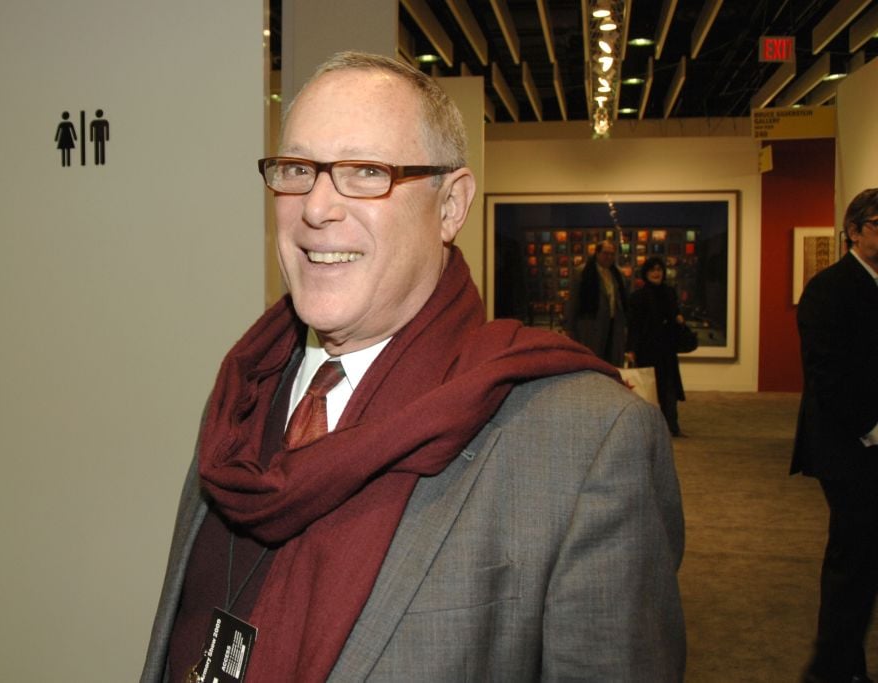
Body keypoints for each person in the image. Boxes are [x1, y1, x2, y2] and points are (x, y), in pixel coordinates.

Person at [142, 51, 684, 683]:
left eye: (366, 172)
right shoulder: (241, 397)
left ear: (451, 205)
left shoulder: (585, 445)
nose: (316, 208)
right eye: (297, 169)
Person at [792, 188, 878, 683]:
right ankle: (838, 668)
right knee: (853, 554)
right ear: (853, 231)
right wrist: (869, 426)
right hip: (847, 444)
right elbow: (825, 373)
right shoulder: (829, 288)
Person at [625, 256, 686, 436]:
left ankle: (672, 427)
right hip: (647, 349)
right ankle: (651, 427)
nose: (656, 273)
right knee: (650, 388)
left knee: (669, 388)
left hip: (667, 349)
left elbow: (674, 314)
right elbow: (634, 325)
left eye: (659, 270)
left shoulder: (669, 292)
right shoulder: (638, 297)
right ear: (646, 273)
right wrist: (631, 349)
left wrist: (678, 318)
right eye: (652, 270)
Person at [564, 240, 629, 366]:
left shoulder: (617, 273)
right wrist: (570, 327)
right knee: (593, 359)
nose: (609, 257)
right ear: (597, 253)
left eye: (612, 254)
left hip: (614, 325)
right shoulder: (582, 272)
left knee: (612, 359)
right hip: (591, 324)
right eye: (605, 253)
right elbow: (573, 301)